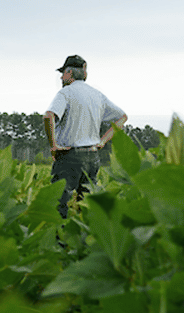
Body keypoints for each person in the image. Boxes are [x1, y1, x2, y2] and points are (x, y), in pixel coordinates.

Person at [44, 54, 127, 217]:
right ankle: (83, 239)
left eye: (63, 73)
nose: (61, 77)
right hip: (92, 157)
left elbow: (48, 116)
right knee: (87, 204)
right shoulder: (97, 95)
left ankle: (58, 241)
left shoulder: (65, 93)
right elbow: (122, 117)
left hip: (69, 156)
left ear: (70, 73)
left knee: (58, 203)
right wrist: (102, 141)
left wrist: (53, 146)